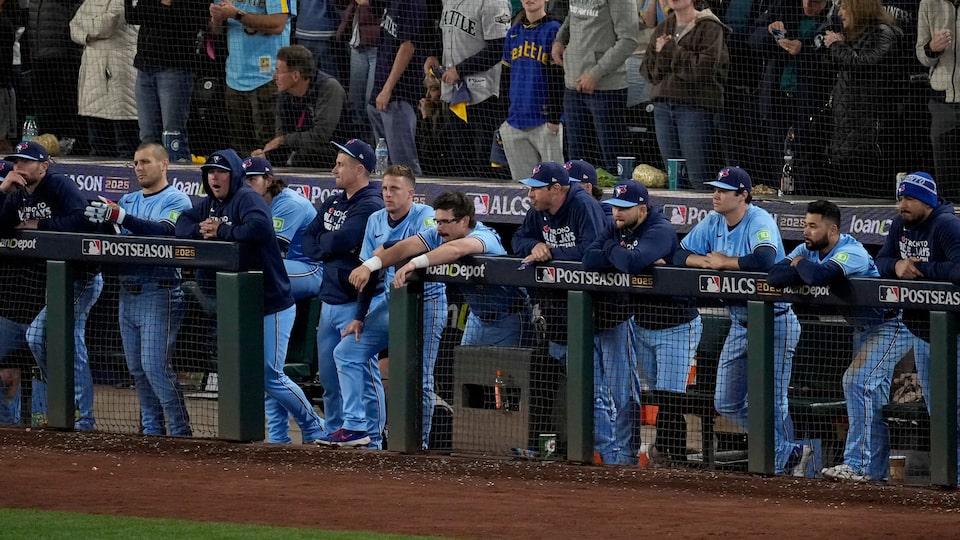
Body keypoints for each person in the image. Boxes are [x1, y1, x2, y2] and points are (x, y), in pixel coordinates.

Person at [175, 148, 327, 445]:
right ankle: (279, 438)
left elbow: (259, 227)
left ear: (234, 175)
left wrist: (222, 229)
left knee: (269, 374)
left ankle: (314, 425)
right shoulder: (210, 204)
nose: (214, 177)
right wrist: (202, 229)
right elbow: (182, 224)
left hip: (273, 303)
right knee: (262, 376)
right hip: (244, 306)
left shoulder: (248, 199)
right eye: (210, 172)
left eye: (221, 172)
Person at [768, 199, 914, 481]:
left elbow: (820, 276)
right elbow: (774, 276)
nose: (806, 232)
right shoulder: (806, 250)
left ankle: (857, 465)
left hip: (891, 324)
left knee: (856, 382)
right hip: (862, 329)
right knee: (873, 400)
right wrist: (801, 265)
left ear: (832, 229)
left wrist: (799, 265)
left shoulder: (851, 251)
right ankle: (875, 474)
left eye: (813, 226)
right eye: (805, 225)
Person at [673, 166, 802, 474]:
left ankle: (781, 463)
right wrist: (703, 261)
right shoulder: (714, 221)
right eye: (714, 189)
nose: (715, 195)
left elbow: (765, 258)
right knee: (726, 402)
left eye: (723, 190)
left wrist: (725, 262)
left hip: (775, 321)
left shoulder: (759, 219)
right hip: (740, 323)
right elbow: (678, 254)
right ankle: (787, 450)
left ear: (742, 195)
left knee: (773, 400)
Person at [512, 161, 632, 464]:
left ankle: (625, 458)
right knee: (590, 390)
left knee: (621, 392)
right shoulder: (538, 210)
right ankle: (612, 458)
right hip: (568, 316)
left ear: (556, 189)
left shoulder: (583, 205)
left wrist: (550, 253)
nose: (530, 194)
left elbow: (593, 251)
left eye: (536, 189)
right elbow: (517, 240)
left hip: (607, 312)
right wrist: (535, 244)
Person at [583, 179, 703, 464]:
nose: (617, 213)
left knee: (670, 399)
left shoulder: (660, 229)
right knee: (658, 397)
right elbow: (588, 259)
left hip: (676, 325)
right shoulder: (617, 228)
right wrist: (622, 252)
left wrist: (614, 251)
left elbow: (629, 263)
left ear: (642, 208)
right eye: (615, 207)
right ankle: (663, 453)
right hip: (643, 324)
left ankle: (672, 459)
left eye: (625, 208)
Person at [83, 142, 194, 436]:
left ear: (164, 164)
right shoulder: (128, 200)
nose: (139, 168)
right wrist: (100, 223)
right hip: (127, 292)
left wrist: (120, 217)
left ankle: (180, 431)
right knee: (137, 370)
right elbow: (116, 238)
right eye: (135, 163)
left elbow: (164, 232)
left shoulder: (177, 200)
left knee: (154, 367)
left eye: (145, 161)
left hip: (159, 291)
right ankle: (152, 430)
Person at [0, 140, 103, 430]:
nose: (18, 167)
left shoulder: (59, 185)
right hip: (55, 283)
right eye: (15, 162)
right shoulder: (17, 194)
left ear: (43, 167)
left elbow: (84, 219)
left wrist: (41, 226)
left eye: (25, 162)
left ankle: (79, 413)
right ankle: (68, 405)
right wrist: (2, 191)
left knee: (46, 337)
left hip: (81, 279)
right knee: (59, 341)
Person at [345, 164, 444, 449]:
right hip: (393, 301)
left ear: (410, 193)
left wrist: (387, 247)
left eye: (395, 189)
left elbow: (424, 244)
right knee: (348, 352)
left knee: (420, 378)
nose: (388, 194)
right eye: (385, 188)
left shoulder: (425, 214)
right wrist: (359, 316)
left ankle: (419, 445)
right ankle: (366, 435)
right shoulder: (375, 219)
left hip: (428, 302)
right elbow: (369, 272)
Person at [876, 172, 960, 484]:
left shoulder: (946, 225)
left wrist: (922, 269)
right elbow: (880, 262)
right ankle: (952, 478)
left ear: (927, 201)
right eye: (900, 198)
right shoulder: (900, 225)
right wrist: (897, 265)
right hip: (922, 334)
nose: (903, 204)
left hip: (955, 335)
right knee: (939, 412)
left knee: (957, 410)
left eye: (909, 198)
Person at [302, 138, 386, 448]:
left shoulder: (371, 203)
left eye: (340, 164)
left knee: (363, 376)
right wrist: (329, 245)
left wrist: (327, 244)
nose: (334, 169)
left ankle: (373, 439)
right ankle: (337, 432)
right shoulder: (334, 200)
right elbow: (308, 239)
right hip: (329, 302)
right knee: (329, 378)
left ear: (359, 169)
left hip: (357, 303)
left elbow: (343, 240)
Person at [372, 190, 534, 347]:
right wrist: (369, 267)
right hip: (477, 319)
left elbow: (456, 249)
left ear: (464, 221)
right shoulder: (440, 234)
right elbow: (404, 247)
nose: (439, 227)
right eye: (437, 221)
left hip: (510, 316)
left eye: (445, 222)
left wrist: (414, 263)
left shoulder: (485, 236)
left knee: (506, 366)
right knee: (464, 365)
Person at [640, 0, 728, 190]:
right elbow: (649, 70)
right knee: (674, 178)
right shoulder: (664, 26)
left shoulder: (710, 26)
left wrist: (669, 50)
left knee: (698, 177)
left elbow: (701, 70)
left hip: (694, 108)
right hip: (662, 107)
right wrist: (667, 56)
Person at [750, 0, 834, 196]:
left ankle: (805, 200)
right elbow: (753, 39)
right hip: (777, 98)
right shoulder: (783, 6)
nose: (807, 6)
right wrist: (770, 32)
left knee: (805, 155)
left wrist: (804, 50)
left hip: (813, 103)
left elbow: (833, 57)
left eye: (814, 3)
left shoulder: (833, 18)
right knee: (776, 153)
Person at [822, 0, 901, 198]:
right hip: (846, 128)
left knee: (866, 196)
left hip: (870, 135)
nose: (840, 13)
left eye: (844, 7)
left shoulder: (882, 33)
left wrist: (837, 45)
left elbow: (864, 64)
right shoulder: (852, 36)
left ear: (858, 8)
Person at [424, 0, 511, 177]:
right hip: (454, 93)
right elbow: (445, 30)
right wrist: (434, 53)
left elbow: (499, 47)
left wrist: (460, 70)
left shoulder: (493, 2)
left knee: (483, 160)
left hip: (484, 97)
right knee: (458, 157)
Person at [550, 0, 638, 173]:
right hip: (573, 86)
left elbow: (629, 40)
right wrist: (560, 39)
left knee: (613, 161)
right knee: (577, 161)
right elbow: (573, 14)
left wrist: (596, 73)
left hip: (607, 91)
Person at [208, 0, 296, 157]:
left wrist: (236, 14)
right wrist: (216, 19)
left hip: (270, 78)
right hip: (235, 76)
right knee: (240, 151)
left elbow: (278, 24)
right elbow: (216, 31)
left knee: (269, 150)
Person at [123, 0, 207, 159]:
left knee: (173, 135)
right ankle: (150, 173)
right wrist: (161, 6)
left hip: (175, 68)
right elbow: (134, 16)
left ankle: (178, 172)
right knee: (148, 136)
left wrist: (155, 9)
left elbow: (187, 18)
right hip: (145, 67)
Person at [499, 0, 564, 181]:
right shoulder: (513, 33)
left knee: (555, 182)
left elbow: (558, 78)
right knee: (523, 186)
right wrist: (504, 119)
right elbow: (505, 79)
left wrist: (554, 117)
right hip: (515, 121)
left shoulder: (554, 29)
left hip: (544, 121)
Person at [251, 45, 344, 168]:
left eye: (278, 71)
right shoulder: (284, 94)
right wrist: (265, 155)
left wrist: (283, 140)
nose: (274, 77)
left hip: (337, 151)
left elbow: (320, 135)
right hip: (302, 148)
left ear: (296, 75)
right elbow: (281, 137)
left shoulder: (329, 87)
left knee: (305, 154)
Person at [243, 156, 322, 300]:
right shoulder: (249, 203)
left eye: (252, 179)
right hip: (284, 263)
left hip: (311, 268)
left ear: (268, 181)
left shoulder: (290, 203)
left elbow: (273, 245)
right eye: (244, 180)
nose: (247, 185)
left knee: (255, 270)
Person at [363, 0, 427, 175]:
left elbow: (408, 47)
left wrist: (387, 89)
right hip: (380, 93)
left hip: (399, 95)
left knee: (404, 166)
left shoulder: (414, 4)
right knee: (385, 166)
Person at [69, 0, 139, 158]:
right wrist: (90, 32)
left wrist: (87, 27)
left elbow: (107, 25)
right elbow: (73, 26)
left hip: (120, 75)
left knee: (125, 147)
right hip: (93, 77)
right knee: (97, 148)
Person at [917, 0, 960, 202]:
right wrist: (932, 48)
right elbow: (922, 54)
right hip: (942, 102)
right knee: (946, 177)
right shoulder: (928, 3)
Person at [337, 1, 379, 138]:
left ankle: (373, 144)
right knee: (355, 102)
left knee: (371, 101)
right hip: (357, 44)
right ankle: (356, 143)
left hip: (378, 46)